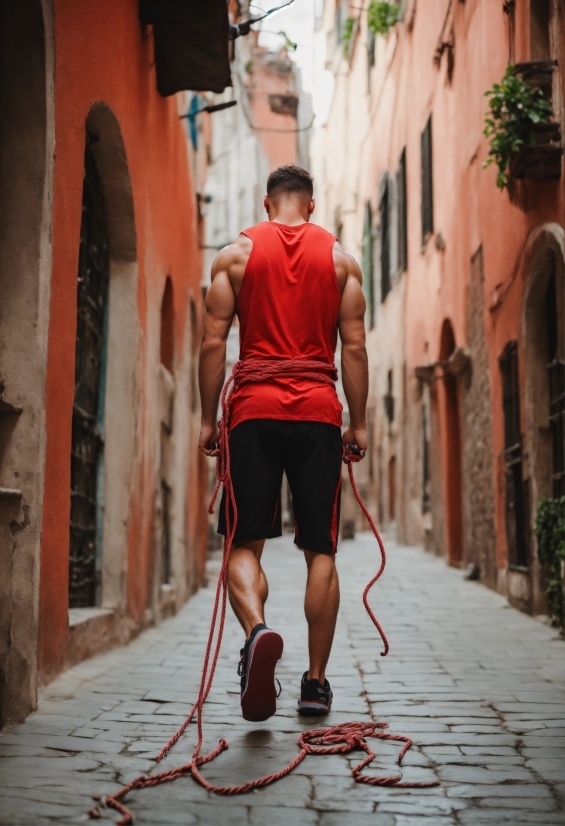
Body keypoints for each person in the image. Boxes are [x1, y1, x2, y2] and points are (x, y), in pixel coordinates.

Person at [198, 164, 368, 723]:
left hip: (252, 413)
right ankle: (316, 685)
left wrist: (206, 421)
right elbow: (356, 349)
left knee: (244, 545)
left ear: (266, 203)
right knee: (321, 548)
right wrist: (359, 423)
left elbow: (212, 344)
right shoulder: (343, 262)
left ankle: (258, 632)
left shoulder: (234, 256)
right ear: (312, 207)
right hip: (318, 412)